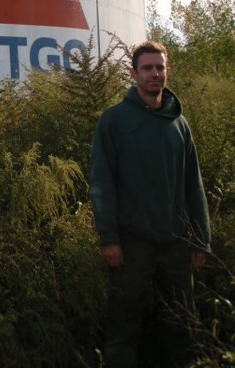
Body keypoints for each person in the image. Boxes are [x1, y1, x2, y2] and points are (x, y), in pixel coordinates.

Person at [89, 41, 211, 368]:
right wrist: (109, 239)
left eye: (160, 67)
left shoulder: (178, 124)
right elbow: (101, 183)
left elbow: (192, 185)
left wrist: (201, 240)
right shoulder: (114, 121)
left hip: (176, 244)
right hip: (131, 244)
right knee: (123, 328)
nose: (155, 74)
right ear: (134, 74)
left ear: (166, 71)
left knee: (181, 325)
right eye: (147, 68)